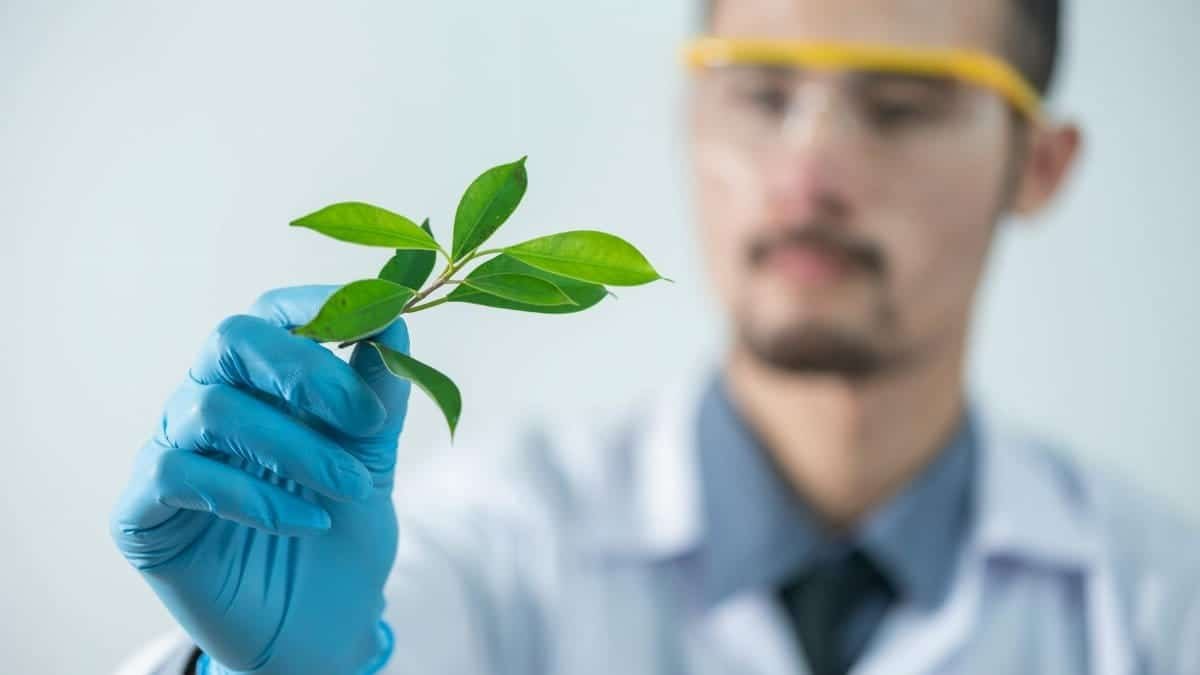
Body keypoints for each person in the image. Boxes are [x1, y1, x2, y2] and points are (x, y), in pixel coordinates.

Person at [111, 0, 1200, 673]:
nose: (807, 174)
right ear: (693, 120)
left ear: (1040, 166)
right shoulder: (505, 549)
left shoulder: (1160, 606)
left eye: (902, 106)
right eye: (762, 94)